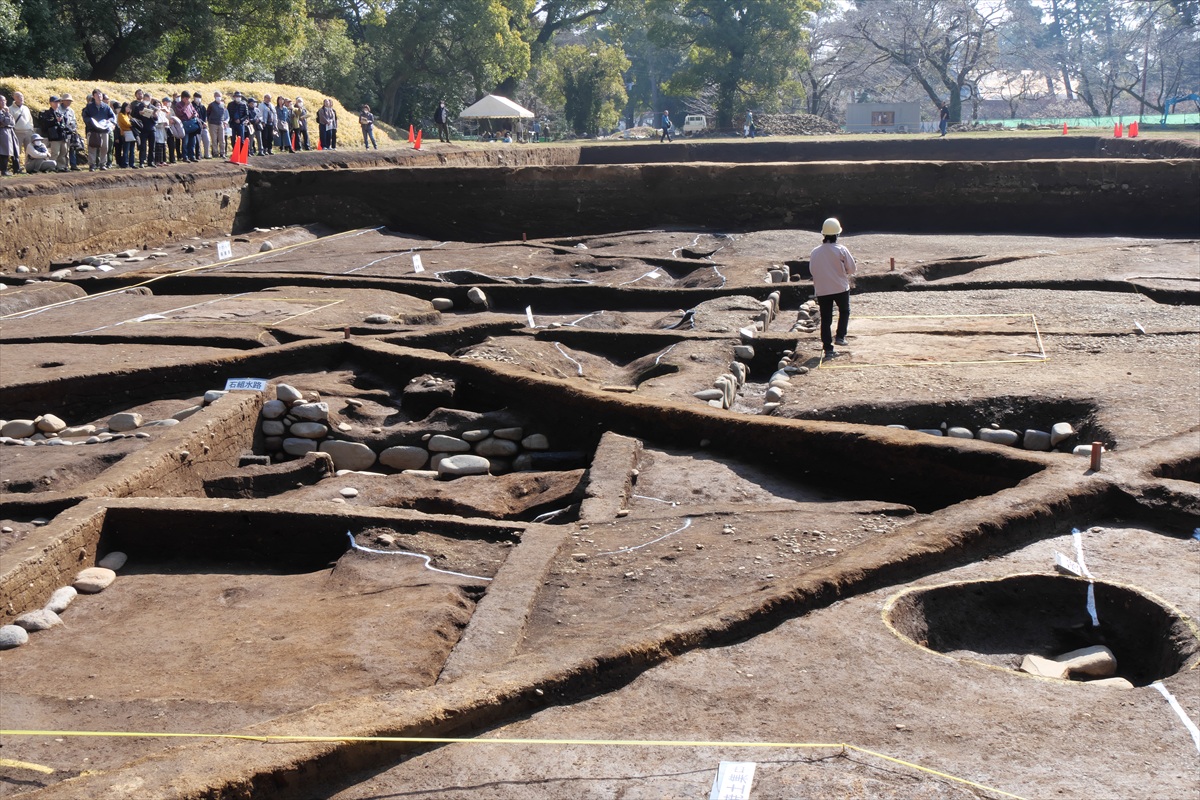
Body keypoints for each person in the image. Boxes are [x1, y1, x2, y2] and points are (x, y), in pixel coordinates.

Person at [809, 217, 857, 358]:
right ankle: (840, 336)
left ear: (824, 234)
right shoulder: (841, 249)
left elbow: (812, 270)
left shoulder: (815, 251)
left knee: (826, 319)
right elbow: (852, 269)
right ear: (837, 234)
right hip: (840, 287)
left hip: (822, 289)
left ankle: (828, 348)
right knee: (844, 311)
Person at [82, 89, 116, 171]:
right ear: (93, 96)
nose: (99, 96)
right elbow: (85, 117)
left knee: (105, 147)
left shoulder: (106, 107)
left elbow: (112, 116)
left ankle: (102, 164)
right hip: (93, 130)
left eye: (100, 95)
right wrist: (91, 122)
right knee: (92, 147)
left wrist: (110, 121)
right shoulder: (89, 107)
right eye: (97, 95)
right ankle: (92, 165)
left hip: (104, 130)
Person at [12, 92, 34, 172]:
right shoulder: (11, 109)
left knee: (29, 150)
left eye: (21, 96)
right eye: (18, 96)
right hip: (17, 132)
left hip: (28, 131)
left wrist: (31, 128)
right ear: (14, 98)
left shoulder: (26, 108)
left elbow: (30, 119)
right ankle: (17, 168)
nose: (20, 98)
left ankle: (29, 167)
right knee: (17, 151)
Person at [0, 95, 19, 176]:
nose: (3, 102)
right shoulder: (4, 111)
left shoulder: (4, 111)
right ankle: (3, 171)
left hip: (8, 131)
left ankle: (10, 169)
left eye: (4, 100)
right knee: (4, 152)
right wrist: (7, 114)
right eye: (1, 101)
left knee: (9, 151)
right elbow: (6, 122)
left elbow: (12, 123)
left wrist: (7, 115)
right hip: (2, 133)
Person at [208, 91, 228, 159]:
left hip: (221, 123)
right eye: (217, 96)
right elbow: (208, 114)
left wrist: (224, 122)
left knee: (222, 139)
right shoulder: (211, 105)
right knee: (214, 139)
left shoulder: (223, 104)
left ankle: (222, 153)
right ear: (214, 96)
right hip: (213, 124)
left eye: (219, 96)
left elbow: (224, 114)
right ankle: (215, 153)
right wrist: (209, 122)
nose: (218, 97)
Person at [117, 102, 135, 168]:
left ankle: (132, 163)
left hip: (131, 133)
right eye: (127, 107)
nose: (128, 109)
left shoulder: (128, 115)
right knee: (126, 150)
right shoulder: (121, 115)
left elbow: (133, 122)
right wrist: (133, 124)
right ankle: (125, 163)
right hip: (125, 133)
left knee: (132, 150)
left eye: (129, 108)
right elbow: (127, 124)